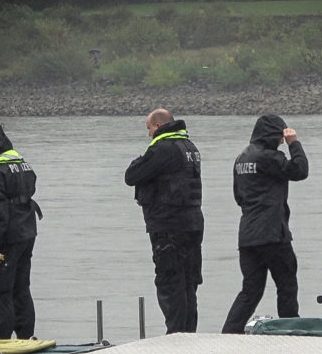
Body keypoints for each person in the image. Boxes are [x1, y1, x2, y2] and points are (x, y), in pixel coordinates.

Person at [222, 115, 309, 334]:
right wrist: (294, 143)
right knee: (287, 285)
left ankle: (228, 333)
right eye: (280, 136)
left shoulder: (241, 158)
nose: (281, 141)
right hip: (272, 234)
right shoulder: (270, 157)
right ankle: (291, 330)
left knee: (251, 290)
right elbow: (300, 170)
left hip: (248, 235)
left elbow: (238, 196)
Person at [125, 108, 203, 334]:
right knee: (189, 282)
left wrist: (140, 158)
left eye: (149, 128)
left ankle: (176, 335)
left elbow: (132, 176)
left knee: (170, 282)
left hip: (168, 225)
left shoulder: (163, 149)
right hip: (193, 224)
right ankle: (188, 333)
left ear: (158, 126)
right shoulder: (190, 147)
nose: (148, 134)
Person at [0, 123, 41, 340]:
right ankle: (26, 337)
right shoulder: (22, 163)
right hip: (28, 233)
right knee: (22, 287)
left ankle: (1, 341)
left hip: (7, 239)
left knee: (0, 290)